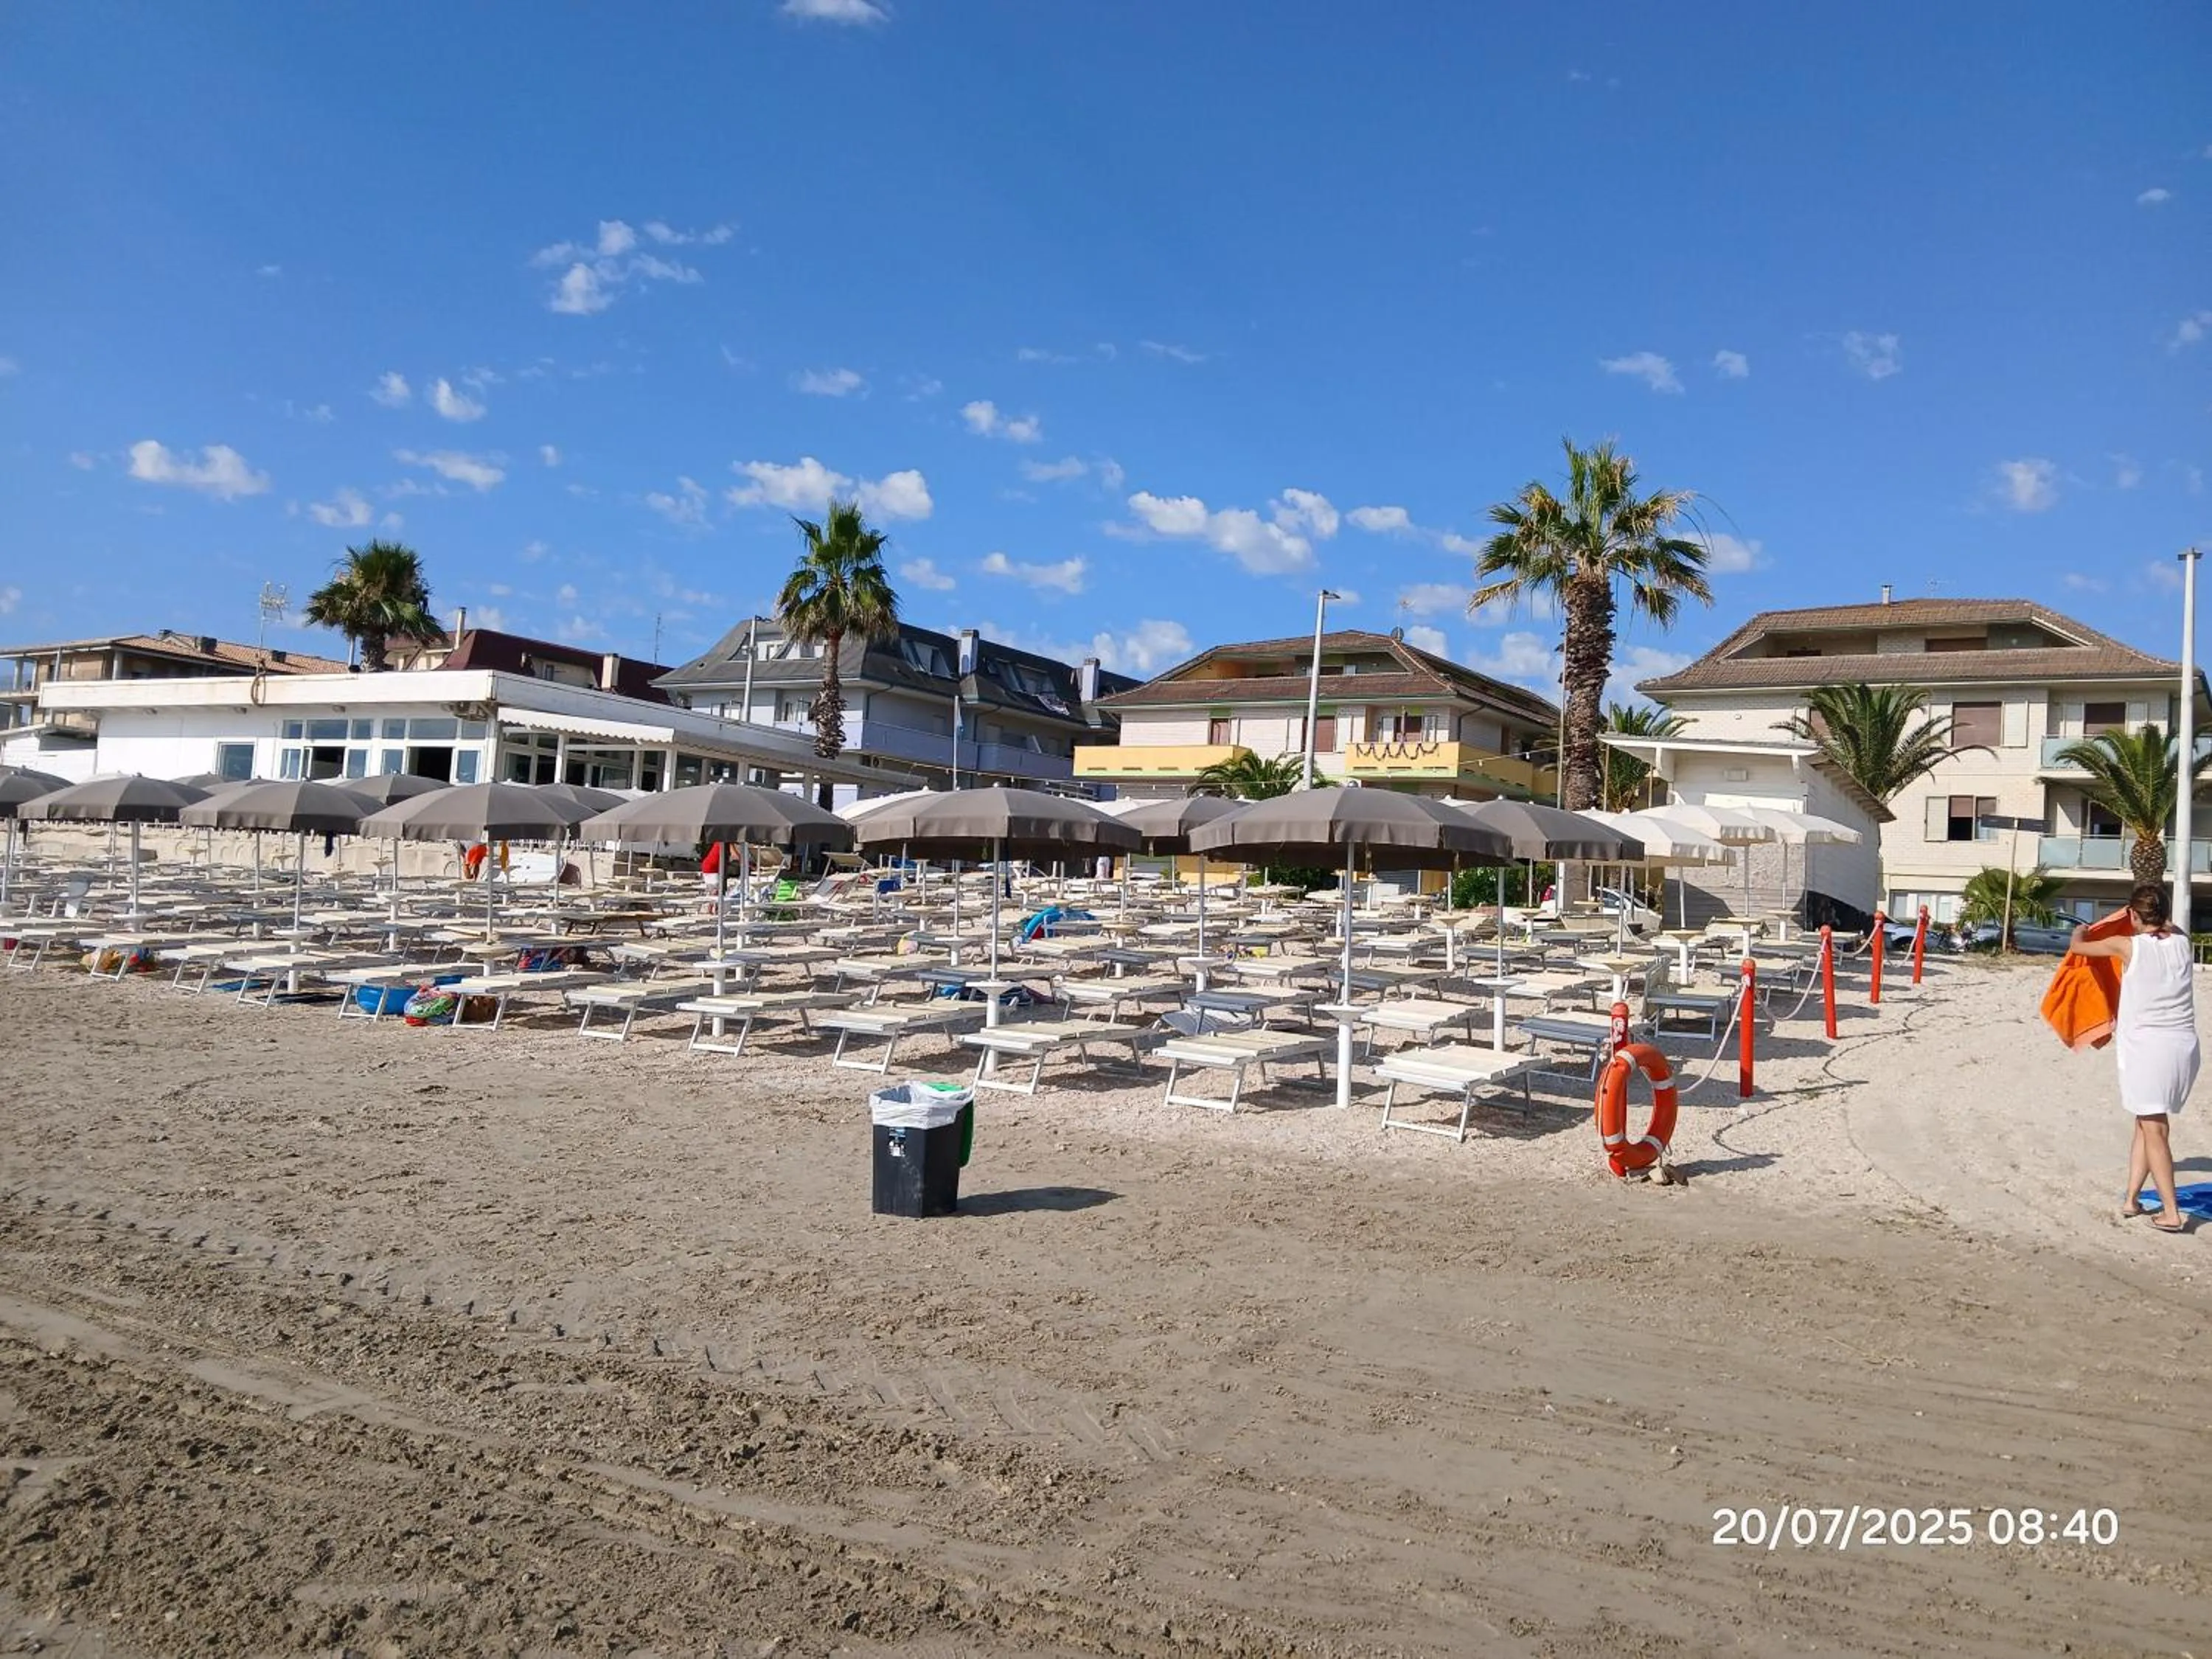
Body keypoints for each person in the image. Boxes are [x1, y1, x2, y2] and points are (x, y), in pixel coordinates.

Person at [2068, 883, 2197, 1233]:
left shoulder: (2126, 945)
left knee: (2155, 1126)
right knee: (2145, 1120)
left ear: (2134, 915)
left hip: (2148, 1048)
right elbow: (2170, 929)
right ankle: (2131, 1198)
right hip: (2182, 1046)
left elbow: (2079, 946)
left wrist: (2083, 929)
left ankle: (2171, 1212)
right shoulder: (2184, 942)